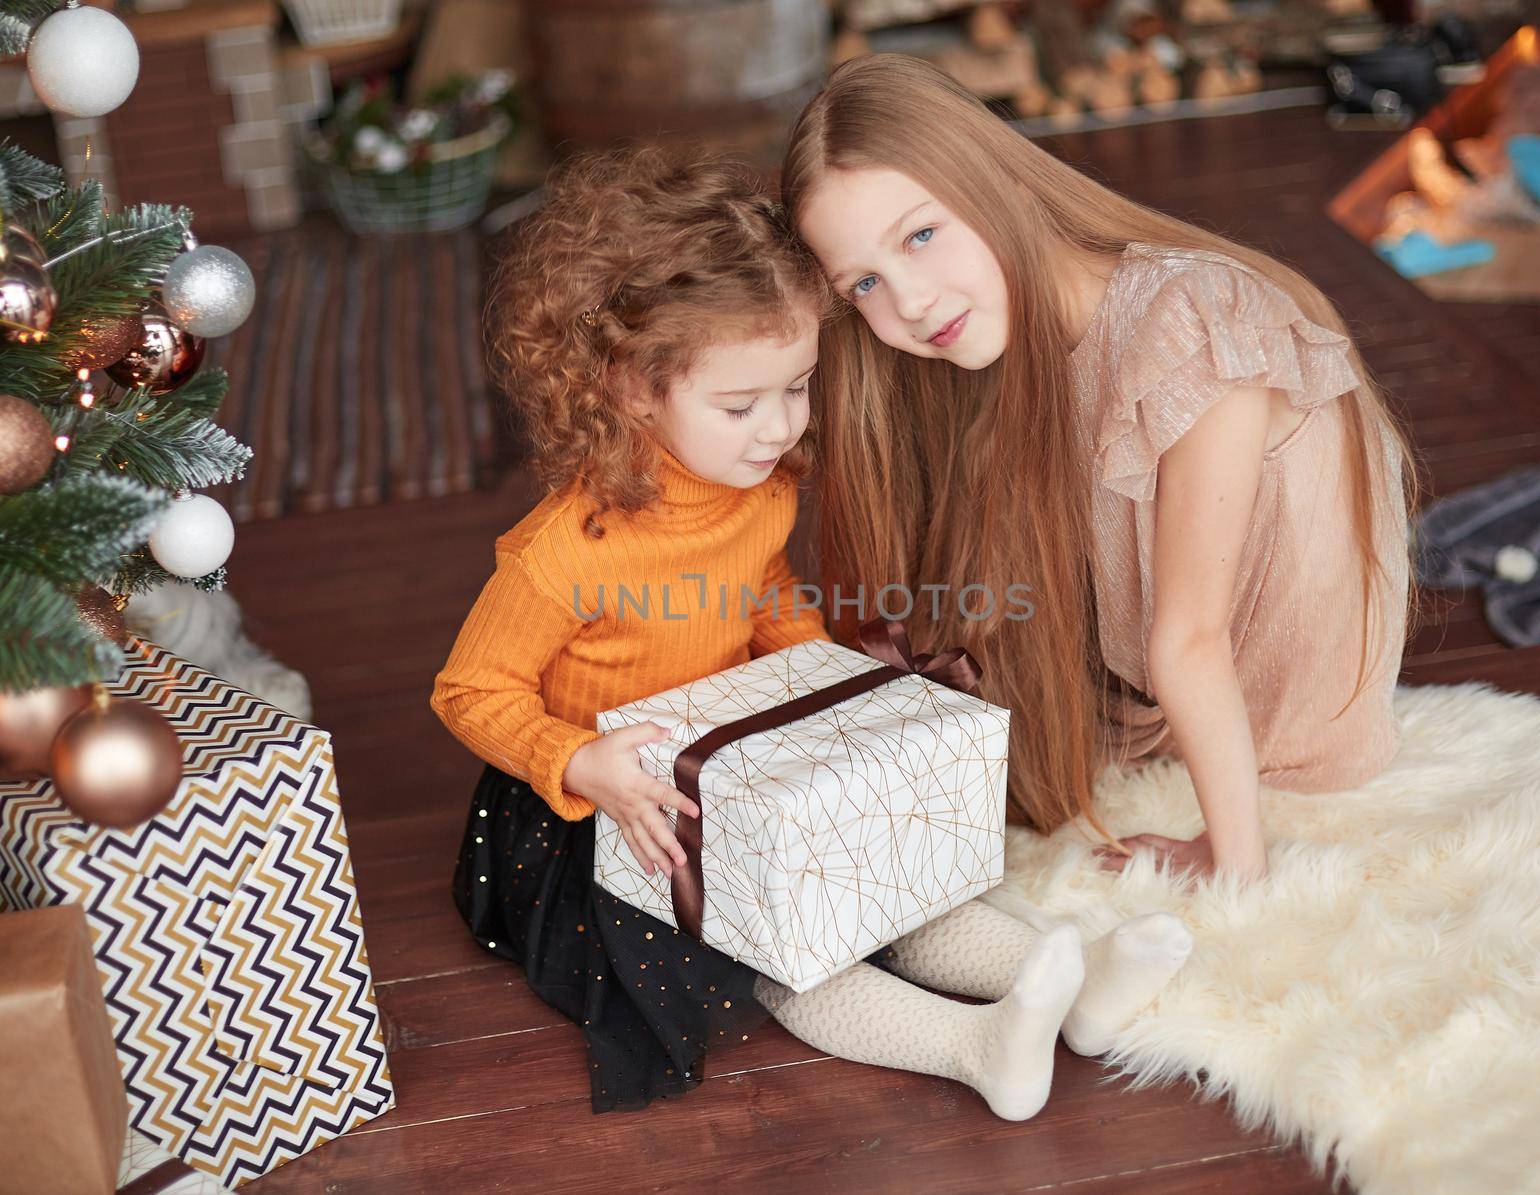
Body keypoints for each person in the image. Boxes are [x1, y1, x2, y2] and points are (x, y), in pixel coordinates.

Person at [432, 146, 1191, 1121]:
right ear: (630, 390)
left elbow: (762, 591)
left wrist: (810, 670)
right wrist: (580, 764)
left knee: (888, 881)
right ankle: (970, 1045)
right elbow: (469, 691)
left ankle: (1075, 980)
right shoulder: (561, 555)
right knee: (794, 945)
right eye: (741, 404)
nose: (778, 427)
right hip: (625, 815)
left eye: (796, 387)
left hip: (740, 760)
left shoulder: (761, 488)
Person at [782, 54, 1418, 883]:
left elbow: (1188, 640)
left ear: (999, 183)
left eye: (923, 235)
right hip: (1146, 700)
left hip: (1279, 727)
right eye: (865, 280)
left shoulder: (1192, 320)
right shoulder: (1016, 340)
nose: (910, 301)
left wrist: (1232, 863)